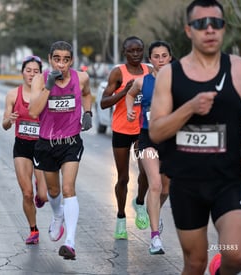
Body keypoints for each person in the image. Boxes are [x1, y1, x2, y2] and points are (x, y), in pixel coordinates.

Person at [149, 1, 241, 274]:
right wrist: (189, 108)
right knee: (195, 262)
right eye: (202, 24)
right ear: (189, 30)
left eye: (217, 23)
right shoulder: (170, 74)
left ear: (224, 29)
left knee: (235, 253)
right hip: (186, 183)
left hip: (228, 180)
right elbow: (156, 131)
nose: (210, 29)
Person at [29, 41, 93, 260]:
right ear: (50, 59)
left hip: (70, 142)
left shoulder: (81, 78)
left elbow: (87, 94)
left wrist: (88, 112)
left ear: (71, 60)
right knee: (53, 191)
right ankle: (58, 216)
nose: (62, 64)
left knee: (68, 188)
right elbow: (34, 111)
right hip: (46, 143)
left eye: (66, 59)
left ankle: (70, 243)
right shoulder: (40, 80)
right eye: (57, 59)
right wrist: (48, 86)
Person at [100, 36, 151, 239]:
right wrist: (124, 92)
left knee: (146, 170)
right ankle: (121, 219)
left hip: (142, 129)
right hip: (121, 129)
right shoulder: (118, 72)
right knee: (123, 177)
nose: (136, 54)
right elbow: (104, 102)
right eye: (131, 51)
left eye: (139, 50)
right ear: (125, 52)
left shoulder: (149, 71)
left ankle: (139, 202)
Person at [125, 41, 173, 254]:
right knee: (154, 185)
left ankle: (154, 212)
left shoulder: (178, 81)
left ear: (170, 58)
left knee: (165, 189)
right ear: (150, 59)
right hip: (148, 138)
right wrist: (129, 111)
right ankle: (155, 239)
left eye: (164, 56)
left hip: (171, 139)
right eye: (156, 56)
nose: (160, 60)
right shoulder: (141, 81)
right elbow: (129, 95)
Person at [2, 55, 48, 245]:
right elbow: (4, 125)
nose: (31, 74)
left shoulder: (46, 93)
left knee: (43, 196)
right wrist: (10, 119)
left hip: (42, 147)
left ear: (41, 74)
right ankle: (33, 230)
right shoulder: (13, 95)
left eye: (36, 71)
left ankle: (41, 187)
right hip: (22, 147)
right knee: (27, 193)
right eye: (28, 70)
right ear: (22, 72)